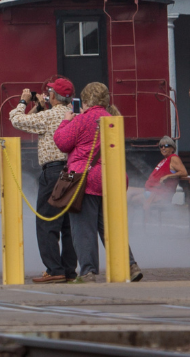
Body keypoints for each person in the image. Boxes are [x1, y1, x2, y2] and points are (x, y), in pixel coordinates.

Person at [52, 82, 143, 283]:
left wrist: (66, 121)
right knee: (110, 228)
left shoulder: (82, 119)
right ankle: (130, 265)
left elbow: (61, 142)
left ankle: (88, 272)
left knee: (84, 230)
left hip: (85, 181)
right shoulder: (112, 118)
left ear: (85, 101)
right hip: (110, 179)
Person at [10, 78, 77, 284]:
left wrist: (23, 101)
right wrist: (40, 106)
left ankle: (54, 269)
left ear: (54, 96)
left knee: (47, 222)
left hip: (53, 171)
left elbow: (17, 120)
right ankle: (69, 270)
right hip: (73, 171)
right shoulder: (74, 115)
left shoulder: (49, 116)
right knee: (69, 224)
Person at [129, 135, 188, 217]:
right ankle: (127, 221)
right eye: (161, 146)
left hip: (159, 194)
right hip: (150, 190)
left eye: (166, 145)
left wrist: (168, 176)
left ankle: (132, 222)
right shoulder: (164, 160)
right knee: (126, 191)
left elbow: (184, 172)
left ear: (173, 148)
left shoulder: (173, 158)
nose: (163, 148)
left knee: (132, 200)